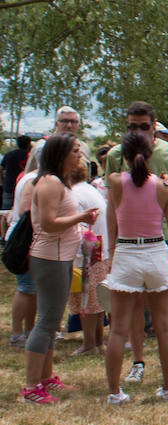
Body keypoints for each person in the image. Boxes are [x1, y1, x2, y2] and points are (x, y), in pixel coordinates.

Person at [104, 102, 168, 381]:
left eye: (144, 126)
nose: (138, 131)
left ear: (155, 125)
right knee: (132, 305)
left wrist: (159, 201)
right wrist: (112, 246)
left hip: (164, 236)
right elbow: (112, 207)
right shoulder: (117, 155)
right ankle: (138, 362)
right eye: (132, 127)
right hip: (130, 240)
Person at [20, 134, 99, 404]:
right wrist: (82, 217)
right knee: (46, 321)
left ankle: (45, 377)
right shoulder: (51, 182)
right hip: (49, 258)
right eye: (76, 150)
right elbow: (50, 223)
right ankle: (31, 386)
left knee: (52, 320)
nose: (80, 155)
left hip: (60, 257)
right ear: (61, 153)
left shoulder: (59, 181)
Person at [66, 158, 107, 355]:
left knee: (87, 301)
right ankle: (98, 342)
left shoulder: (74, 194)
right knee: (97, 302)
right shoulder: (91, 189)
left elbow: (79, 227)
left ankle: (89, 343)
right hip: (100, 251)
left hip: (86, 255)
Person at [7, 157, 40, 346]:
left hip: (29, 241)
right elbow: (24, 213)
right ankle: (18, 333)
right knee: (26, 289)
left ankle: (29, 330)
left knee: (32, 290)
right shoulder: (33, 180)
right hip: (25, 242)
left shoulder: (34, 177)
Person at [1, 134, 30, 210]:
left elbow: (1, 169)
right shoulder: (29, 156)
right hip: (23, 188)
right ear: (28, 144)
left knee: (5, 211)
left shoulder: (9, 155)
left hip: (9, 186)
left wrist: (2, 181)